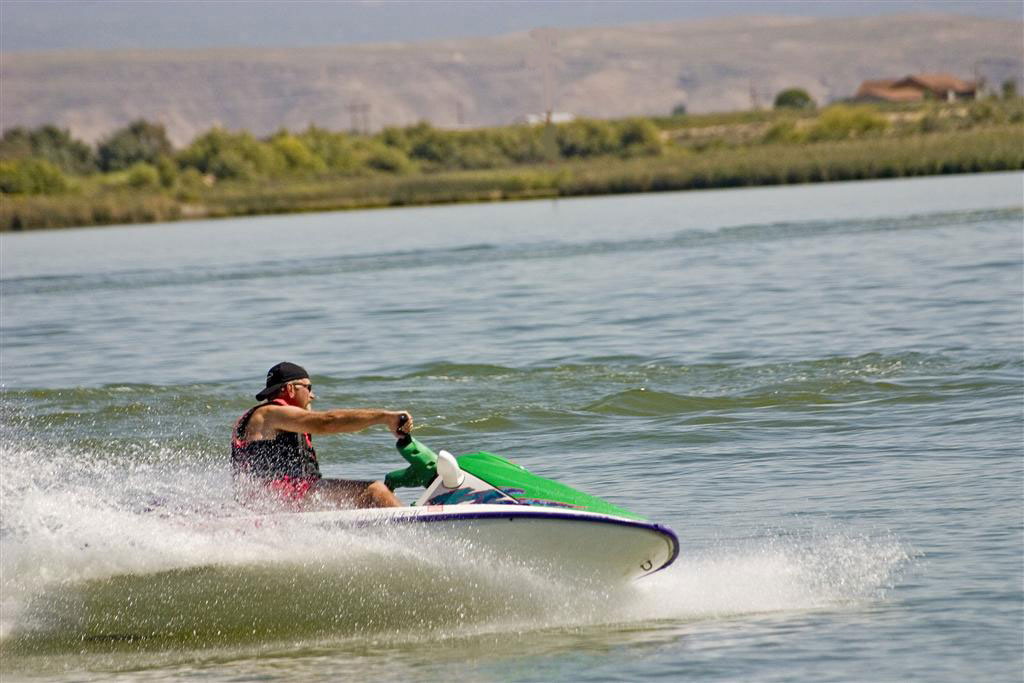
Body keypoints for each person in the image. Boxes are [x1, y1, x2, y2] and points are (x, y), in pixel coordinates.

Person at [231, 361, 409, 509]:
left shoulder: (265, 417)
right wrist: (385, 418)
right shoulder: (270, 413)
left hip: (277, 500)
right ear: (290, 389)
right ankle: (417, 529)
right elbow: (326, 422)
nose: (313, 395)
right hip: (286, 498)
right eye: (309, 387)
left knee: (374, 495)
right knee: (375, 491)